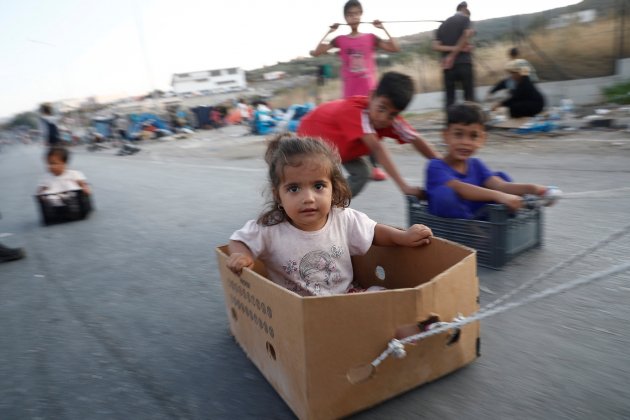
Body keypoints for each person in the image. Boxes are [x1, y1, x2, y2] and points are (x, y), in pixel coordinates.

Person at [226, 134, 433, 297]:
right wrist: (241, 255)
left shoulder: (342, 218)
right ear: (277, 195)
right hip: (298, 311)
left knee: (383, 296)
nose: (308, 198)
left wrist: (403, 237)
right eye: (294, 189)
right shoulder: (269, 227)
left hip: (345, 295)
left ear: (332, 188)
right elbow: (239, 239)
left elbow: (374, 232)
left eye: (318, 186)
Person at [297, 71, 440, 198]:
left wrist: (445, 165)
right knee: (314, 181)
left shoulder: (392, 121)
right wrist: (404, 186)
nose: (384, 118)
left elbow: (415, 138)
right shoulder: (354, 111)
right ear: (371, 96)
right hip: (311, 140)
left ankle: (331, 205)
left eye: (392, 114)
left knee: (363, 173)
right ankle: (307, 208)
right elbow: (377, 148)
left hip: (340, 148)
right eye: (381, 108)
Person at [310, 0, 400, 181]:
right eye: (350, 14)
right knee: (354, 133)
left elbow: (395, 48)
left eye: (357, 13)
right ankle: (353, 167)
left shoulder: (370, 37)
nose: (354, 17)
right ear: (345, 17)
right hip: (350, 96)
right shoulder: (340, 40)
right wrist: (329, 32)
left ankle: (374, 168)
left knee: (372, 130)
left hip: (369, 93)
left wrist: (383, 28)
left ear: (361, 15)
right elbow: (315, 52)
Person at [425, 102, 549, 219]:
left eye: (473, 136)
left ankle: (493, 230)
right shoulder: (436, 166)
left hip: (479, 221)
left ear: (482, 139)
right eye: (458, 134)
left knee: (501, 177)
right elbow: (458, 187)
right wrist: (501, 196)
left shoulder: (476, 165)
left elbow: (501, 186)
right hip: (450, 229)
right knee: (445, 194)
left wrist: (534, 189)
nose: (465, 142)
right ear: (445, 136)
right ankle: (477, 236)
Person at [432, 1, 476, 110]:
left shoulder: (442, 25)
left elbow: (436, 46)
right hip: (464, 63)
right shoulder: (465, 19)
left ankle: (450, 124)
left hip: (448, 67)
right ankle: (470, 124)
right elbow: (466, 35)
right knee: (469, 98)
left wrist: (452, 52)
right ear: (464, 10)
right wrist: (455, 52)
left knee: (450, 100)